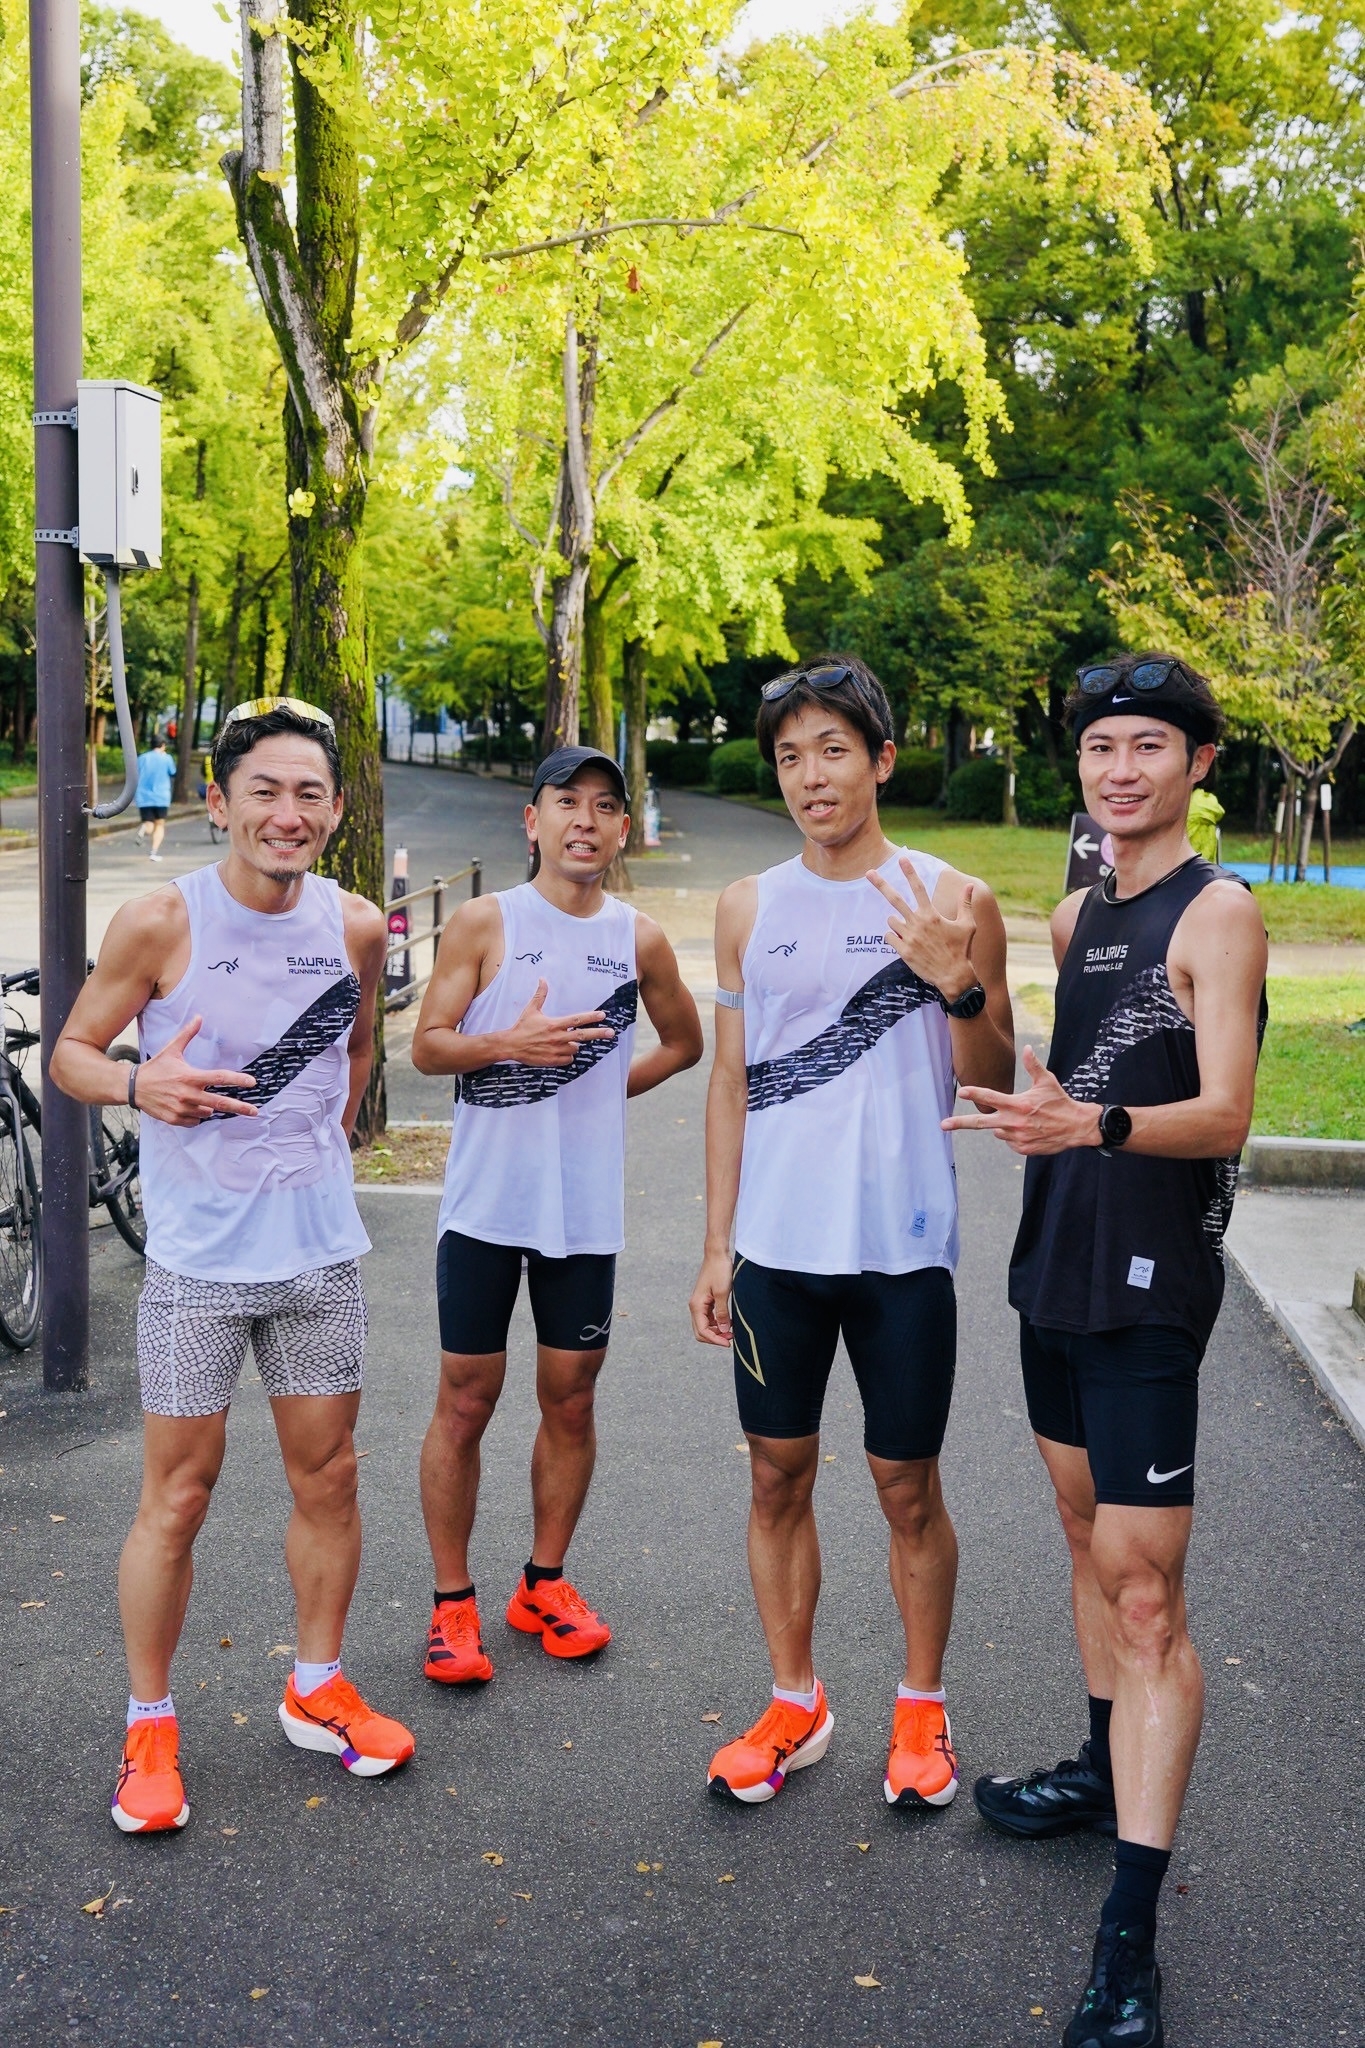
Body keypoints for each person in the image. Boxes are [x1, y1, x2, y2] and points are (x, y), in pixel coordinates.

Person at [948, 654, 1267, 2048]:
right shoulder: (1078, 913)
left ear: (1198, 765)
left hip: (1147, 1287)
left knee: (1146, 1600)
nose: (1120, 769)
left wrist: (1098, 1127)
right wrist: (962, 993)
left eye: (1148, 746)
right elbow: (1027, 1076)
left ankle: (1128, 1941)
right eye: (1101, 748)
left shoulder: (1220, 912)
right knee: (1085, 1535)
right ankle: (1097, 1765)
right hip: (1053, 1267)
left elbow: (1227, 1111)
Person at [51, 697, 413, 1835]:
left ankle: (317, 1687)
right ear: (219, 802)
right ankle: (149, 1725)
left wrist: (312, 1157)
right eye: (264, 790)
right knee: (178, 1495)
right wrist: (137, 1083)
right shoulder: (163, 920)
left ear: (337, 810)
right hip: (198, 1269)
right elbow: (71, 1054)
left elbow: (358, 1047)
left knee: (331, 1477)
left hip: (318, 1259)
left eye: (310, 793)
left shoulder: (357, 924)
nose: (286, 813)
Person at [688, 656, 1015, 1809]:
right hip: (777, 1251)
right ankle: (795, 1700)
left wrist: (957, 982)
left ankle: (921, 1706)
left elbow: (995, 1079)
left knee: (905, 1484)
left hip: (903, 1250)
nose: (810, 775)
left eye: (833, 749)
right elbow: (730, 1081)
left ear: (881, 758)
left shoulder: (954, 896)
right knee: (776, 1476)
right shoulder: (748, 905)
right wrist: (716, 1244)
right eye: (790, 755)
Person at [412, 745, 702, 1685]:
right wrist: (510, 1045)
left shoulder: (638, 939)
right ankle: (452, 1602)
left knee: (571, 1397)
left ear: (622, 829)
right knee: (466, 1398)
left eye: (605, 806)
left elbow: (685, 1042)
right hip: (486, 1207)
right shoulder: (484, 921)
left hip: (584, 1212)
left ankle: (542, 1583)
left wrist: (596, 1087)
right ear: (531, 820)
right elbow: (428, 1047)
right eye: (566, 802)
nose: (586, 819)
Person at [134, 733, 176, 860]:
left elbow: (135, 773)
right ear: (163, 745)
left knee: (149, 824)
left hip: (143, 796)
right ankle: (153, 852)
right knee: (159, 825)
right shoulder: (167, 758)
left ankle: (144, 828)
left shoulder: (142, 758)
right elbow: (173, 772)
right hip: (161, 796)